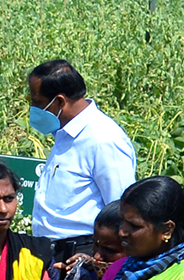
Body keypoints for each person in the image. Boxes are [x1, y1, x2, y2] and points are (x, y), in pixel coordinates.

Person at [27, 61, 137, 264]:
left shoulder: (103, 140)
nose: (33, 109)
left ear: (60, 102)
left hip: (80, 255)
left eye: (37, 102)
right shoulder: (65, 132)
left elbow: (122, 210)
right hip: (51, 254)